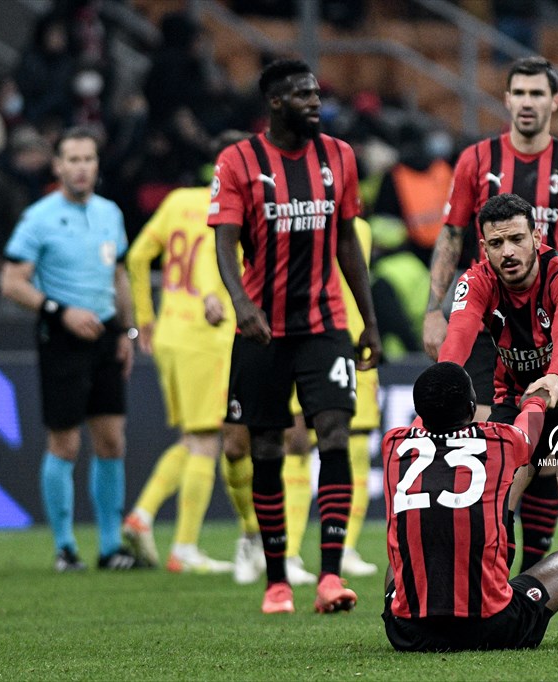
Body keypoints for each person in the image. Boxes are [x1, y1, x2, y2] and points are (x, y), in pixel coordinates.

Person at [423, 56, 558, 613]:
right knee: (499, 482)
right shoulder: (475, 166)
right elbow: (458, 306)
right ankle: (493, 596)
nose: (507, 250)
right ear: (507, 99)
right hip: (508, 350)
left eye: (539, 91)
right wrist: (436, 368)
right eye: (519, 91)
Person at [210, 58, 381, 615]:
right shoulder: (239, 160)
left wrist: (369, 322)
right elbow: (226, 242)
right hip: (262, 332)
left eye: (316, 94)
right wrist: (241, 303)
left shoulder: (340, 157)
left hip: (324, 324)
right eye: (304, 95)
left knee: (334, 434)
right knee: (264, 447)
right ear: (276, 102)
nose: (315, 102)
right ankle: (277, 579)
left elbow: (348, 245)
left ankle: (330, 576)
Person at [382, 361, 558, 652]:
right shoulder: (498, 442)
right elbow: (529, 430)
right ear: (470, 409)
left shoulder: (392, 445)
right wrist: (538, 397)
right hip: (491, 628)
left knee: (402, 552)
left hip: (406, 632)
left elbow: (427, 425)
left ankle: (412, 607)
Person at [438, 193, 558, 643]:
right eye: (497, 244)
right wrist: (440, 392)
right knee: (497, 493)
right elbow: (458, 339)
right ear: (484, 248)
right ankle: (494, 597)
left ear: (536, 237)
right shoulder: (476, 281)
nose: (509, 252)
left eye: (517, 239)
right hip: (516, 397)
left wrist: (555, 377)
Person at [0, 125, 145, 571]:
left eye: (88, 159)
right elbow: (11, 283)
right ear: (58, 165)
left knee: (111, 441)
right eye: (73, 160)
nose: (81, 168)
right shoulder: (39, 217)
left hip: (104, 334)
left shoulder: (109, 213)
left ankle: (109, 547)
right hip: (61, 337)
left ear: (97, 165)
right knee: (64, 443)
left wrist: (127, 332)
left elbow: (118, 275)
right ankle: (65, 547)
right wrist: (59, 311)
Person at [121, 131, 263, 577]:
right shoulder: (236, 206)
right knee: (208, 439)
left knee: (193, 437)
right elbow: (211, 263)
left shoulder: (178, 199)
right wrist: (209, 296)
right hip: (208, 335)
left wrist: (145, 315)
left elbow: (139, 255)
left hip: (169, 332)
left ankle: (146, 518)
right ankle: (181, 545)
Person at [283, 216, 382, 583]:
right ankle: (287, 553)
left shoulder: (361, 228)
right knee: (294, 441)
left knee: (354, 444)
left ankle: (344, 549)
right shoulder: (294, 216)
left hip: (349, 340)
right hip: (300, 338)